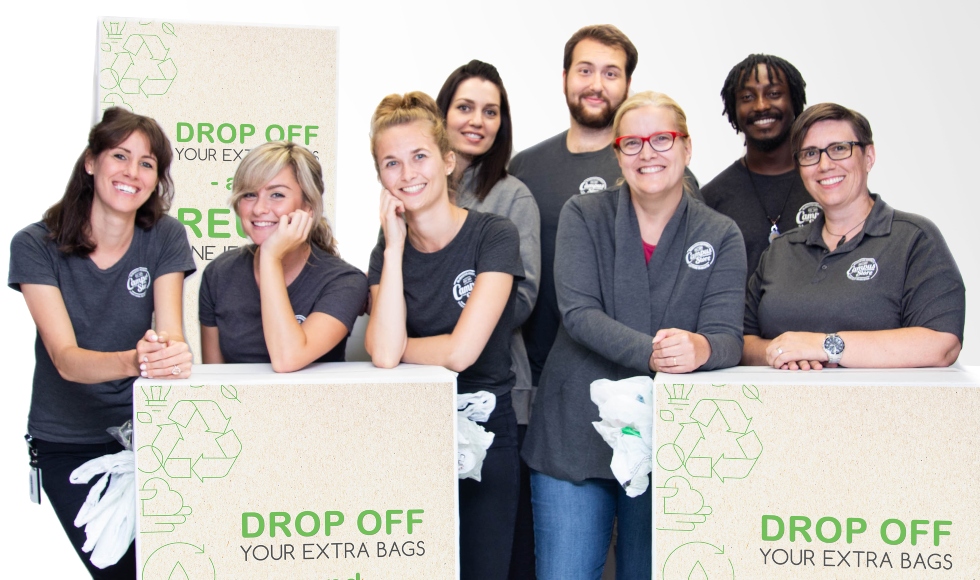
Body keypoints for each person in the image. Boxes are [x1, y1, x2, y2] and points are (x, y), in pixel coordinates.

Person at [522, 92, 746, 580]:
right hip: (574, 433)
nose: (648, 153)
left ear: (686, 148)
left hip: (672, 443)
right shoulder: (584, 214)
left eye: (662, 139)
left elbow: (727, 336)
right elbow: (578, 313)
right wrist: (655, 352)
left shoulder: (720, 232)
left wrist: (702, 347)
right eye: (633, 142)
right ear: (618, 154)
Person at [8, 107, 196, 579]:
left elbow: (170, 335)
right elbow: (66, 361)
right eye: (120, 155)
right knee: (124, 572)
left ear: (157, 179)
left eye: (147, 163)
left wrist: (168, 353)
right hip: (69, 443)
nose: (132, 172)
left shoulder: (166, 236)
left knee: (175, 567)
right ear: (91, 162)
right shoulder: (34, 245)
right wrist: (140, 359)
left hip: (151, 437)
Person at [365, 92, 524, 580]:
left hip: (487, 434)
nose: (407, 173)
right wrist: (393, 249)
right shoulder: (384, 251)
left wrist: (398, 350)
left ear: (448, 160)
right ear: (380, 176)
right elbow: (383, 352)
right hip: (412, 435)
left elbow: (460, 351)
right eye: (391, 163)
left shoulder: (494, 234)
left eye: (419, 156)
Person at [508, 24, 700, 390]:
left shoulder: (657, 170)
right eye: (585, 70)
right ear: (564, 78)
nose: (596, 84)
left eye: (610, 73)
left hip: (638, 373)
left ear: (627, 84)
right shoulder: (526, 167)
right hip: (540, 373)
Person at [743, 103, 964, 369]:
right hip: (781, 408)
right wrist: (781, 351)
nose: (825, 165)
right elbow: (740, 340)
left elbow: (942, 345)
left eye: (839, 149)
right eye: (811, 153)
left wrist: (825, 347)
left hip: (881, 409)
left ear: (868, 156)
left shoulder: (914, 239)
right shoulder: (781, 251)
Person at [435, 59, 540, 577]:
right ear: (443, 115)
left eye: (491, 111)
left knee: (495, 554)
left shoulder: (512, 196)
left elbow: (523, 298)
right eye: (465, 107)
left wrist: (451, 326)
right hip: (424, 391)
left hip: (498, 391)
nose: (478, 120)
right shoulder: (415, 186)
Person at [199, 141, 366, 370]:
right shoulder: (219, 274)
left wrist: (270, 257)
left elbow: (287, 358)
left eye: (276, 195)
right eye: (249, 194)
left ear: (309, 207)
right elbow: (214, 380)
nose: (259, 209)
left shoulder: (345, 282)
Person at [700, 54, 819, 278]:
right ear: (733, 109)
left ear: (794, 100)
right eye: (747, 97)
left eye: (774, 94)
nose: (761, 105)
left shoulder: (824, 182)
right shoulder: (711, 200)